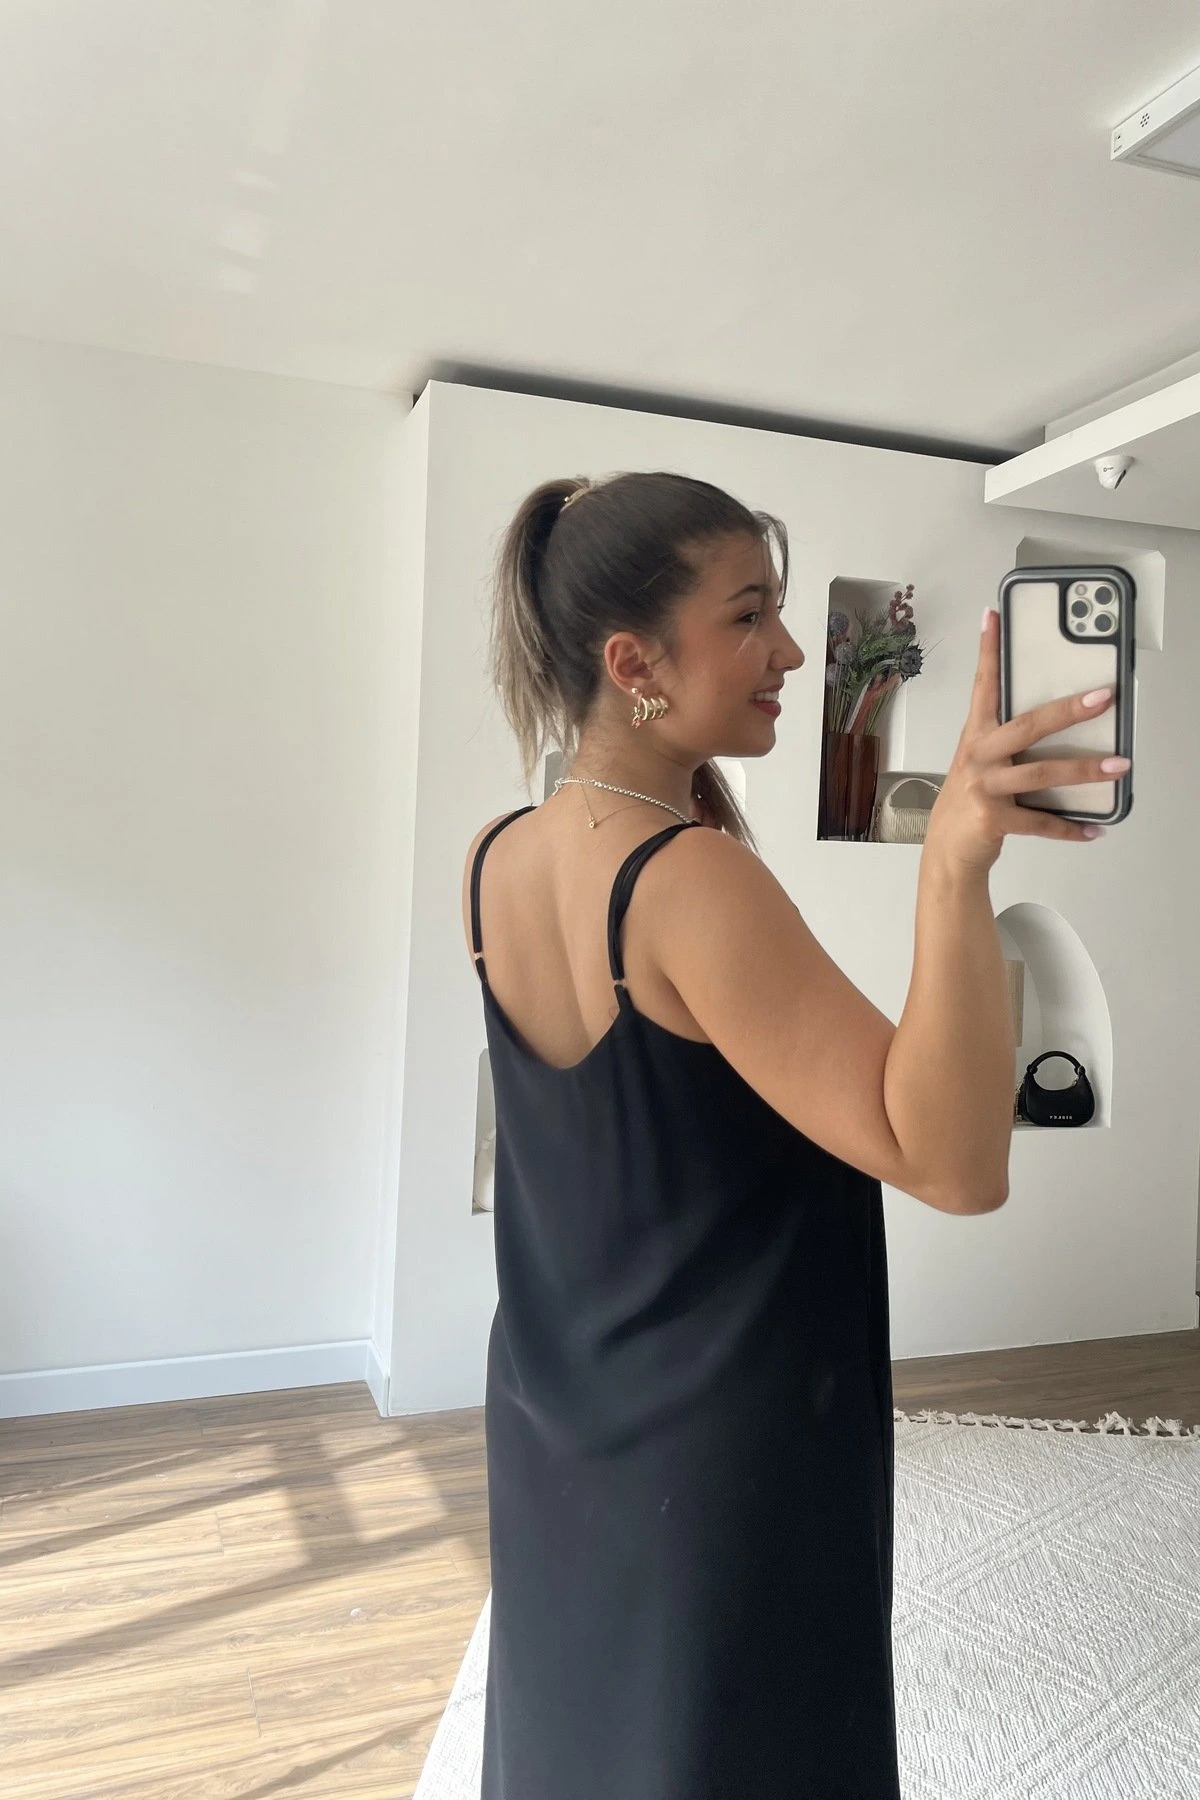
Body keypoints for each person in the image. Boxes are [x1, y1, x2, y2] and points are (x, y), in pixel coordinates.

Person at [459, 470, 1119, 1798]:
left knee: (593, 1734)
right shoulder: (686, 880)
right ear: (634, 662)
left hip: (559, 1406)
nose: (794, 652)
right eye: (749, 615)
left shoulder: (501, 851)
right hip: (725, 1445)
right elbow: (954, 1163)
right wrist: (953, 863)